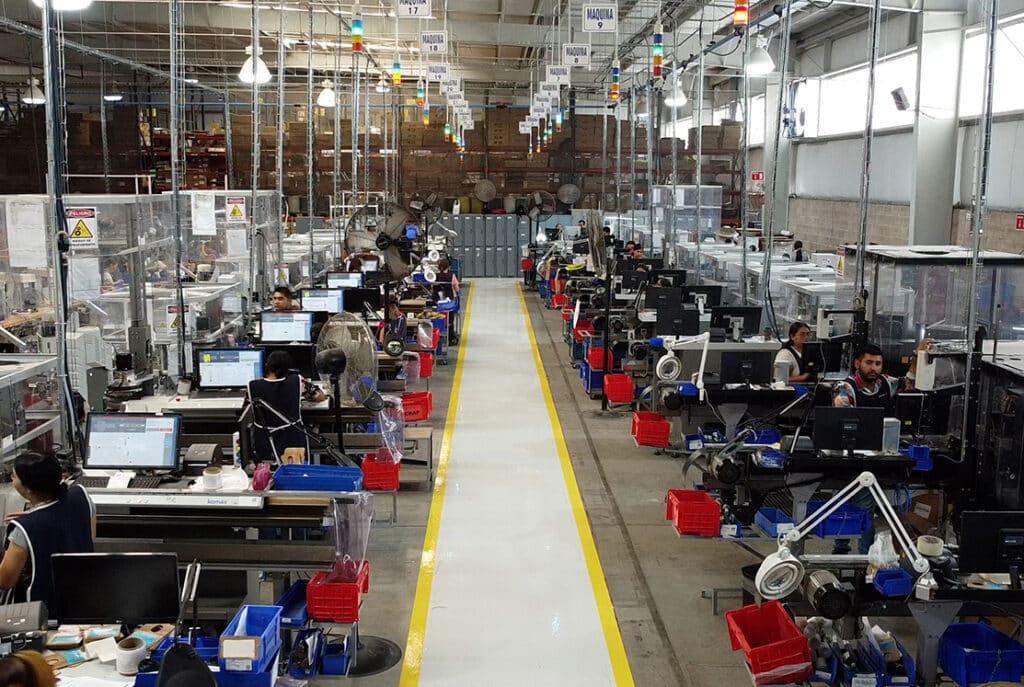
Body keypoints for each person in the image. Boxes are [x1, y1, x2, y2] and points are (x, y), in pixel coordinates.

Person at [1, 452, 95, 610]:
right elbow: (88, 537)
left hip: (43, 610)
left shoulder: (24, 528)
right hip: (83, 597)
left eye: (14, 476)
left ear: (29, 489)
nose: (11, 478)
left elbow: (5, 581)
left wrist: (33, 519)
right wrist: (38, 514)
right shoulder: (81, 497)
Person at [832, 341, 930, 415]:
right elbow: (844, 422)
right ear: (857, 364)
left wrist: (917, 355)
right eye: (869, 362)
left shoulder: (886, 382)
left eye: (878, 364)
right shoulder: (845, 388)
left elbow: (910, 382)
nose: (873, 368)